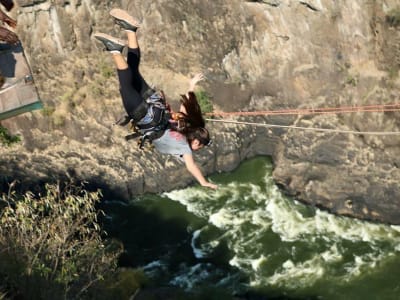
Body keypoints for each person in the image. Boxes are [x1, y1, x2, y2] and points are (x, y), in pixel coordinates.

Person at [94, 8, 217, 190]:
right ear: (196, 142)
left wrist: (191, 86)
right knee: (126, 85)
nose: (198, 150)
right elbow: (192, 167)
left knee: (133, 71)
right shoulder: (185, 147)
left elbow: (185, 106)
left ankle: (130, 30)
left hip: (155, 102)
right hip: (146, 117)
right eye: (200, 147)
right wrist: (204, 182)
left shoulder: (183, 124)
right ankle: (115, 50)